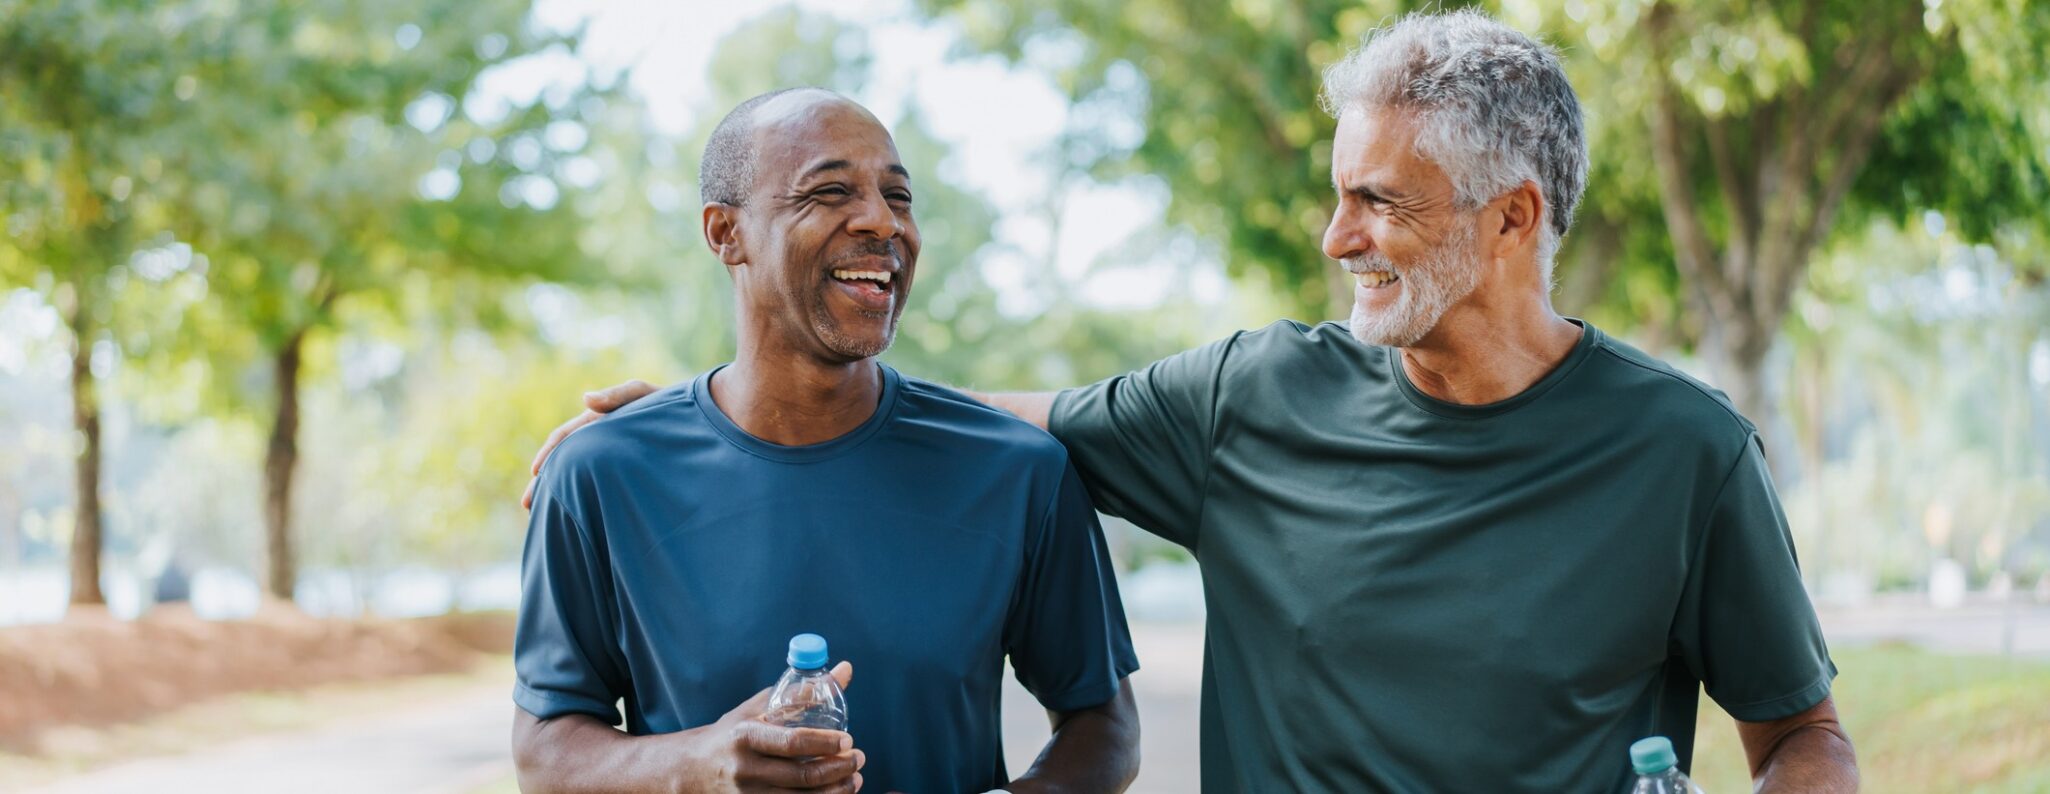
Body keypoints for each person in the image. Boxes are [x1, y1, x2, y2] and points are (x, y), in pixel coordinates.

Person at [526, 11, 1857, 792]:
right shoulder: (1251, 397)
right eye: (1337, 193)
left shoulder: (1684, 453)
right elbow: (997, 421)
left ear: (1510, 219)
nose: (1336, 236)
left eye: (1376, 201)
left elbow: (1799, 731)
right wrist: (700, 412)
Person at [510, 87, 1141, 794]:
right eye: (830, 191)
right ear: (725, 233)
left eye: (898, 198)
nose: (881, 221)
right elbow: (545, 747)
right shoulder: (599, 475)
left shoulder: (1020, 472)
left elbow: (1104, 725)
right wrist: (698, 765)